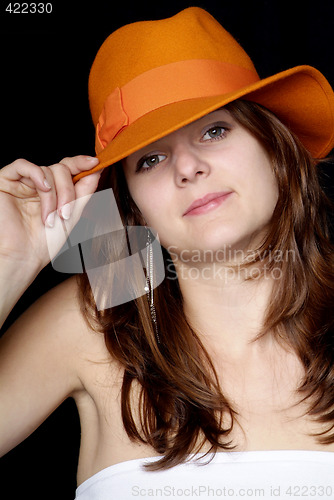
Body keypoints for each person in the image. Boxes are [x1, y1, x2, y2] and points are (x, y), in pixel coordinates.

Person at [1, 7, 334, 499]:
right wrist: (8, 263)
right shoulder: (88, 324)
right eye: (150, 158)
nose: (188, 167)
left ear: (274, 147)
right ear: (132, 205)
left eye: (214, 130)